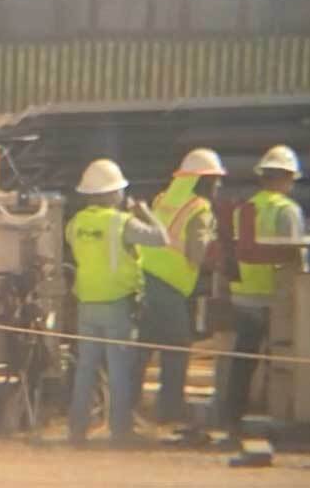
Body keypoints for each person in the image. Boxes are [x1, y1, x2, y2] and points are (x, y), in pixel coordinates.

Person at [66, 159, 169, 446]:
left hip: (87, 304)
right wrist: (146, 213)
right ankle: (120, 430)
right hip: (117, 305)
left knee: (85, 369)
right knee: (119, 369)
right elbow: (162, 238)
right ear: (112, 193)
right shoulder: (122, 223)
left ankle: (77, 430)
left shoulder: (75, 224)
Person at [134, 149, 226, 425]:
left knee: (142, 348)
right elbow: (198, 254)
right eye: (216, 180)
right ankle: (170, 411)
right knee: (176, 348)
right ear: (204, 180)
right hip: (169, 288)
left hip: (143, 279)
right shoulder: (199, 208)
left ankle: (127, 408)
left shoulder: (163, 198)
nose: (219, 186)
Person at [223, 145, 305, 437]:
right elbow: (296, 257)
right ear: (285, 178)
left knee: (244, 358)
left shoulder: (247, 207)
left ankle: (232, 416)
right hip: (274, 298)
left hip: (244, 296)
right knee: (282, 359)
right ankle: (281, 416)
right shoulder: (287, 210)